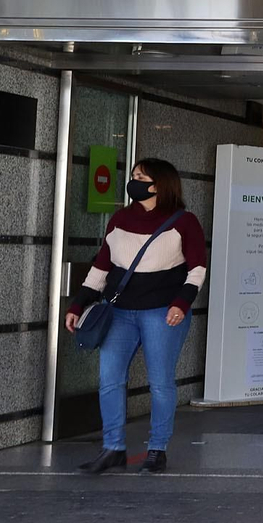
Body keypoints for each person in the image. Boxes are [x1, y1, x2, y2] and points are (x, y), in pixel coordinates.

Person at [65, 158, 208, 475]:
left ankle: (157, 449)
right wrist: (77, 305)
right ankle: (112, 448)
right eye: (133, 176)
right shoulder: (118, 219)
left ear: (160, 184)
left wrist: (181, 304)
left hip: (163, 312)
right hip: (119, 313)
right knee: (109, 380)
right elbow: (101, 269)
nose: (134, 181)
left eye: (141, 176)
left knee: (160, 383)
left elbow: (197, 270)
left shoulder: (183, 222)